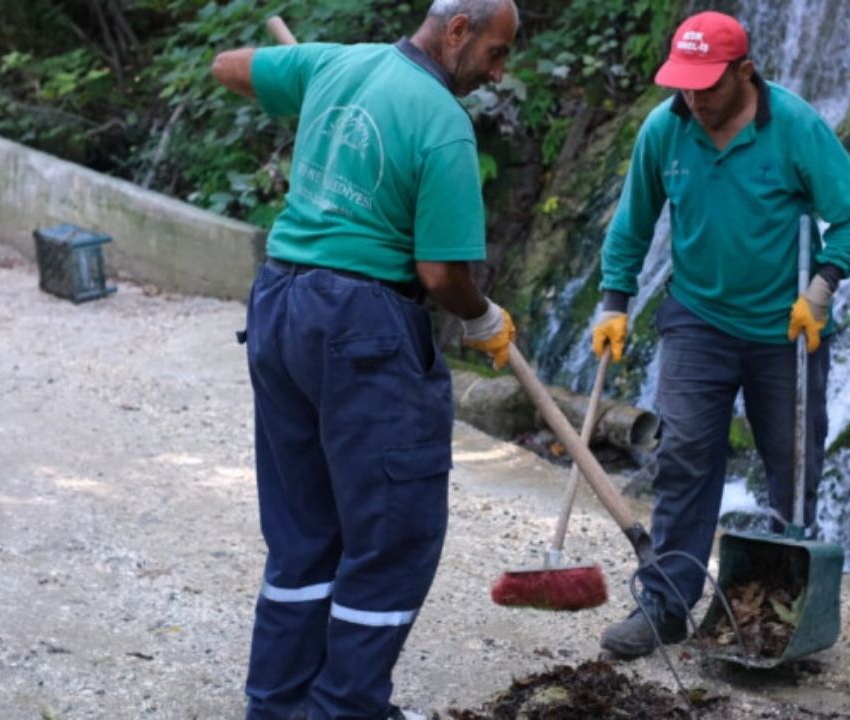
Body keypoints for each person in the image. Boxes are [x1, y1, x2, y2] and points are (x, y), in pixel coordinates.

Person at [210, 1, 519, 717]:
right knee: (392, 537)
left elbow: (228, 68)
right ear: (457, 31)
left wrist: (313, 96)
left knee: (304, 532)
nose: (499, 72)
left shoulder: (335, 64)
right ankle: (345, 709)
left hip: (281, 305)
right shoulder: (442, 124)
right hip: (362, 326)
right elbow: (442, 273)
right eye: (496, 53)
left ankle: (279, 705)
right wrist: (483, 319)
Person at [590, 11, 850, 658]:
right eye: (683, 84)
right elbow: (632, 224)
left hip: (786, 325)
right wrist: (614, 302)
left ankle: (782, 607)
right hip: (697, 318)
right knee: (685, 457)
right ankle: (664, 606)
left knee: (793, 463)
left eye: (707, 85)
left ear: (745, 71)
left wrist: (822, 287)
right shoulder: (666, 131)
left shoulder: (796, 128)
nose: (693, 97)